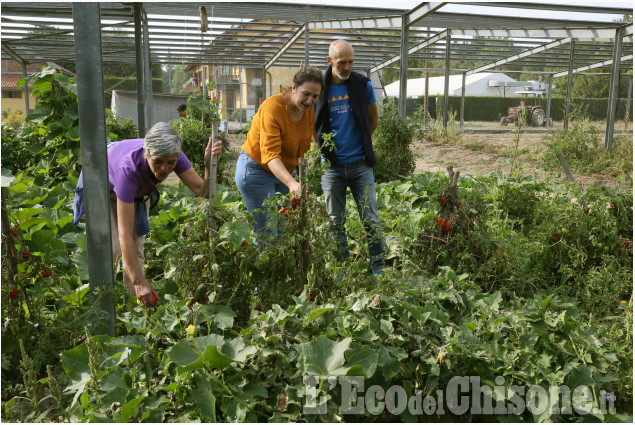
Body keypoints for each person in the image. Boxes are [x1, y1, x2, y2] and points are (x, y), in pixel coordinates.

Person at [73, 122, 222, 307]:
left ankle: (132, 312)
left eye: (170, 163)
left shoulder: (173, 153)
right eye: (158, 161)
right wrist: (139, 282)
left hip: (136, 192)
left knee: (137, 251)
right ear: (146, 153)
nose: (165, 169)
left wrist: (209, 166)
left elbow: (203, 191)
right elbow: (124, 233)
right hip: (103, 182)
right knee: (109, 250)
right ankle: (101, 309)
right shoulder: (128, 169)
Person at [314, 39, 386, 275]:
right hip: (331, 168)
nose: (347, 67)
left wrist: (361, 143)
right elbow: (310, 125)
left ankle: (378, 267)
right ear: (329, 61)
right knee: (335, 222)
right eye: (341, 62)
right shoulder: (319, 88)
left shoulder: (362, 85)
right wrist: (323, 150)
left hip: (360, 165)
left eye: (351, 62)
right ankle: (342, 270)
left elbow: (373, 119)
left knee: (371, 219)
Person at [235, 66, 323, 243]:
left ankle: (283, 269)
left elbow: (313, 137)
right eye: (306, 94)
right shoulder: (273, 109)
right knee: (266, 233)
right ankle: (263, 269)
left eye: (315, 96)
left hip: (282, 171)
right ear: (293, 88)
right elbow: (270, 155)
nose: (310, 100)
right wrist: (291, 183)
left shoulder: (308, 110)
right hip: (256, 170)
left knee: (287, 229)